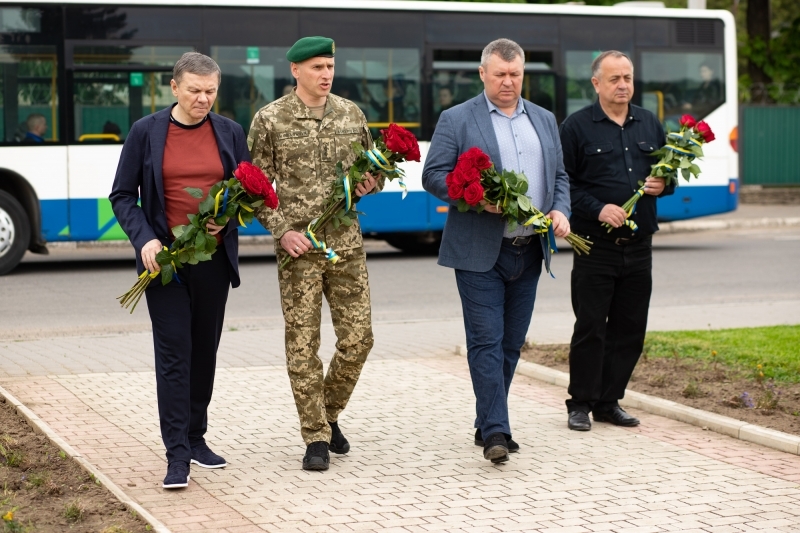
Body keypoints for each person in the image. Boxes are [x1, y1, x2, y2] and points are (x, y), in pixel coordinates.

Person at [422, 38, 571, 464]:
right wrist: (473, 197)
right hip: (478, 250)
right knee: (486, 340)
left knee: (510, 344)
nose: (508, 82)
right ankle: (496, 432)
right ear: (483, 74)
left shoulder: (543, 119)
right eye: (500, 74)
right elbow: (433, 176)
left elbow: (559, 176)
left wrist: (560, 210)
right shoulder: (457, 118)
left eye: (516, 74)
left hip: (529, 249)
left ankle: (486, 418)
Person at [109, 52, 251, 488]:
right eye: (194, 90)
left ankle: (196, 436)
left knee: (203, 352)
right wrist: (145, 239)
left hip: (211, 260)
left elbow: (247, 191)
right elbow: (121, 195)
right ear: (174, 87)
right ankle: (176, 456)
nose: (203, 99)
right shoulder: (145, 132)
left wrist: (226, 219)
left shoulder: (229, 132)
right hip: (164, 262)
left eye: (210, 91)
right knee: (174, 354)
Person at [248, 36, 379, 471]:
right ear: (295, 70)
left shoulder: (350, 114)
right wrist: (282, 231)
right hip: (298, 251)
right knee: (303, 346)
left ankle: (328, 413)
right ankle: (315, 437)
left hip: (346, 245)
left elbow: (369, 172)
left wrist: (369, 185)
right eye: (317, 67)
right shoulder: (270, 120)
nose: (326, 74)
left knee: (359, 340)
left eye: (330, 66)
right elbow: (256, 189)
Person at [559, 50, 674, 432]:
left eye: (628, 77)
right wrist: (597, 209)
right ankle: (580, 403)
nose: (623, 85)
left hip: (640, 246)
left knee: (630, 328)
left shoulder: (649, 123)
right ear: (596, 83)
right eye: (614, 79)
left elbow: (666, 177)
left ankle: (609, 402)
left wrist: (664, 185)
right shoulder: (576, 128)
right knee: (591, 327)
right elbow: (564, 186)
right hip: (595, 246)